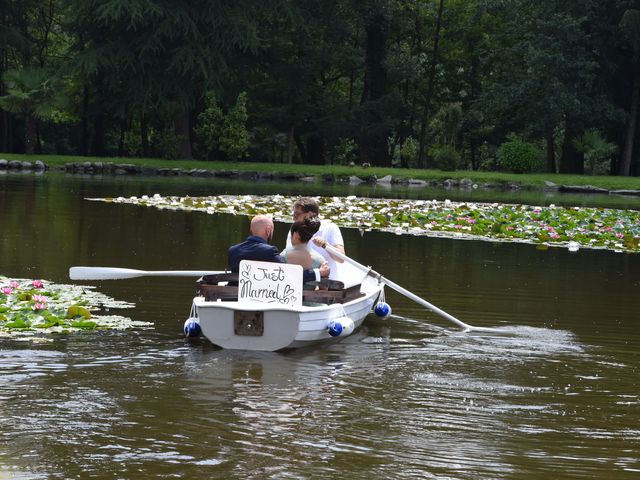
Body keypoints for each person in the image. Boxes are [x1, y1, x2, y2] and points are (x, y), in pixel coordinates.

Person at [228, 214, 329, 282]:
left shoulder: (233, 251)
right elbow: (290, 275)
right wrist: (318, 272)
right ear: (268, 231)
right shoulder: (269, 251)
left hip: (231, 299)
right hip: (260, 302)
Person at [285, 197, 345, 280]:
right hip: (300, 280)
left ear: (310, 214)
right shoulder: (294, 228)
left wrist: (325, 245)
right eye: (294, 214)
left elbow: (341, 259)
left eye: (297, 214)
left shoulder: (331, 228)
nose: (294, 217)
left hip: (328, 283)